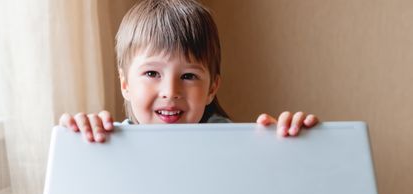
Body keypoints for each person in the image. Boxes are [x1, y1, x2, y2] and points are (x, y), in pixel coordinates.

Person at [59, 0, 318, 142]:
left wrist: (287, 148)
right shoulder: (110, 142)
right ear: (125, 84)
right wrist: (80, 142)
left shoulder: (234, 144)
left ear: (211, 89)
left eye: (189, 76)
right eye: (152, 73)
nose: (171, 92)